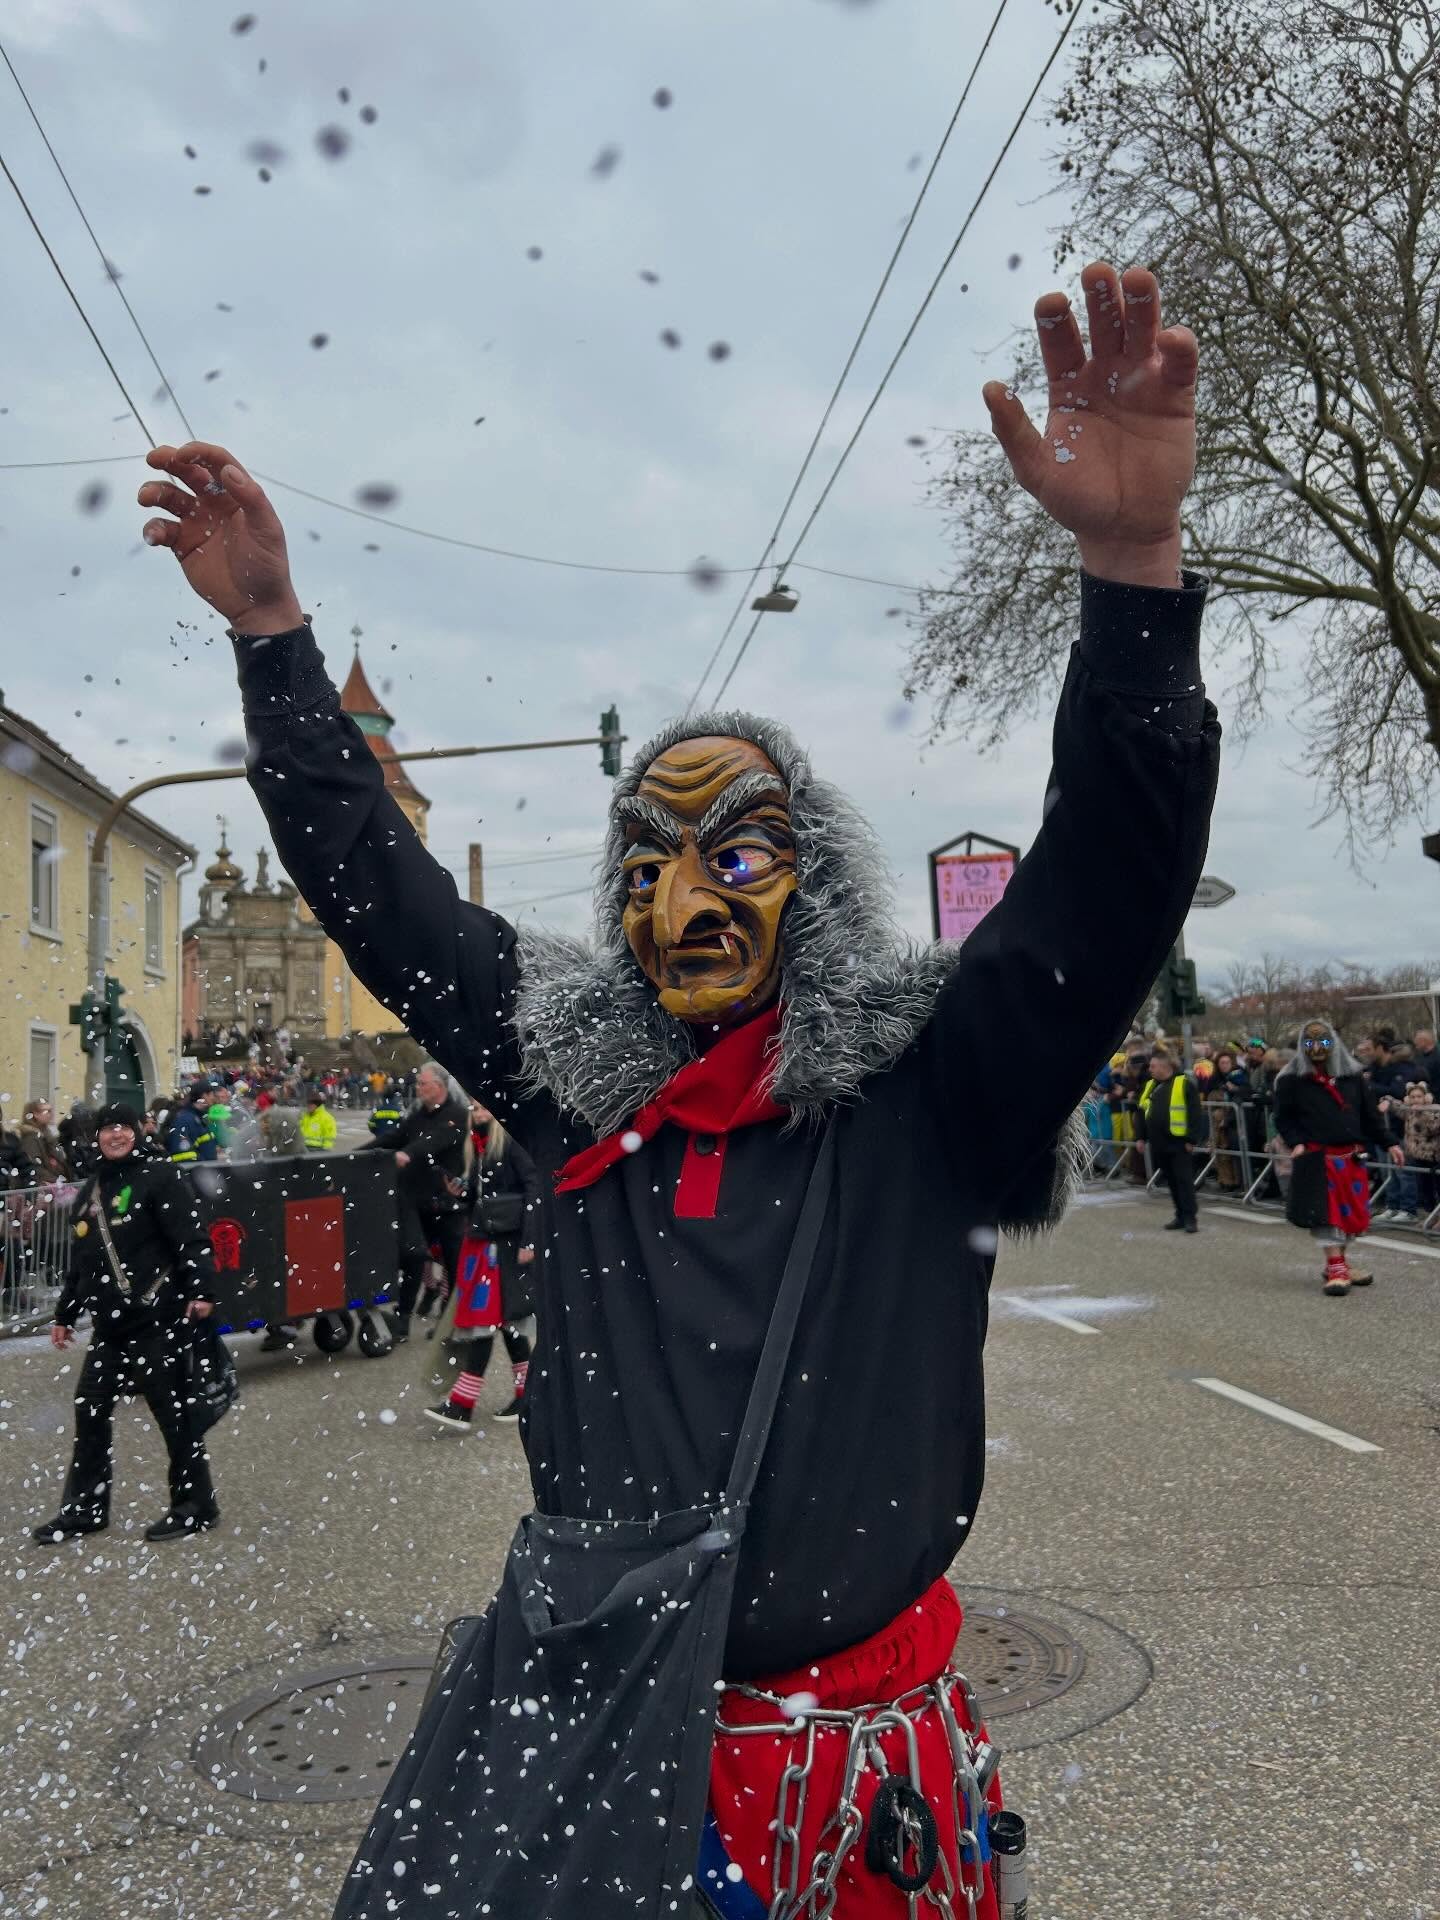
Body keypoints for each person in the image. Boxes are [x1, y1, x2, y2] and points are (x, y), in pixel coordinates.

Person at [140, 256, 1218, 1920]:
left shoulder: (934, 1088)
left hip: (861, 1791)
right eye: (648, 860)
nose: (689, 899)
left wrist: (1131, 565)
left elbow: (1104, 886)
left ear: (821, 892)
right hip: (594, 1757)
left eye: (743, 854)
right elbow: (382, 897)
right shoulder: (569, 1075)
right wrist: (278, 643)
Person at [31, 1103, 221, 1543]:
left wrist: (202, 1291)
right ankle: (85, 1509)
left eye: (122, 1127)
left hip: (158, 1319)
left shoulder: (161, 1177)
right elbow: (83, 1262)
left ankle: (195, 1505)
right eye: (106, 1129)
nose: (114, 1135)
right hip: (110, 1329)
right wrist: (64, 1314)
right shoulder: (93, 1190)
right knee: (90, 1409)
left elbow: (192, 1239)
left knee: (173, 1416)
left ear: (138, 1132)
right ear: (95, 1137)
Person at [426, 1096, 541, 1430]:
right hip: (486, 1245)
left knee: (486, 1321)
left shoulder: (509, 1142)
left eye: (484, 1107)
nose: (478, 1113)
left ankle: (463, 1403)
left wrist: (530, 1240)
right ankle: (526, 1393)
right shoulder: (479, 1144)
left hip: (502, 1246)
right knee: (504, 1320)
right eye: (475, 1108)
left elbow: (535, 1187)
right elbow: (481, 1194)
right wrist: (459, 1192)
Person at [1273, 1021, 1403, 1296]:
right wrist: (1296, 1143)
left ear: (1334, 1043)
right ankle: (1336, 1266)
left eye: (1323, 1042)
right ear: (1302, 1046)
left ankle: (1339, 1262)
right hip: (1318, 1157)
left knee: (1351, 1218)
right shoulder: (1291, 1080)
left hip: (1351, 1156)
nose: (1317, 1049)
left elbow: (1370, 1116)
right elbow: (1283, 1118)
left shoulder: (1353, 1076)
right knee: (1326, 1216)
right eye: (1310, 1043)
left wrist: (1390, 1143)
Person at [367, 1063, 468, 1341]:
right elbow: (394, 1137)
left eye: (424, 1084)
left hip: (446, 1203)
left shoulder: (457, 1116)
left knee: (453, 1264)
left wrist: (408, 1154)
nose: (419, 1088)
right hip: (416, 1199)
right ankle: (403, 1320)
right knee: (412, 1256)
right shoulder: (416, 1116)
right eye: (419, 1084)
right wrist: (360, 1154)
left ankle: (450, 1325)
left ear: (439, 1086)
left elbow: (433, 1142)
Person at [1138, 1048, 1205, 1231]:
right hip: (1159, 1143)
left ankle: (1190, 1218)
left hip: (1179, 1142)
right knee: (1172, 1181)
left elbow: (1195, 1113)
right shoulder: (1151, 1085)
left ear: (1164, 1066)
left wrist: (1192, 1139)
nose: (1149, 1069)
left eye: (1153, 1066)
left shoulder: (1184, 1083)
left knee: (1184, 1181)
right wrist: (1140, 1137)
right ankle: (1180, 1215)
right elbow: (1143, 1112)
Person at [17, 1100, 71, 1183]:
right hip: (45, 1187)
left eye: (51, 1111)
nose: (51, 1114)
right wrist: (57, 1181)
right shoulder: (30, 1137)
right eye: (47, 1111)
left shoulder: (46, 1133)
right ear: (35, 1114)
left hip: (56, 1184)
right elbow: (34, 1166)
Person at [166, 1084, 217, 1163]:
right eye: (212, 1094)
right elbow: (183, 1155)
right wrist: (205, 1165)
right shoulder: (185, 1120)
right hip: (197, 1173)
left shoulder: (198, 1118)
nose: (213, 1098)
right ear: (204, 1096)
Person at [300, 1089, 337, 1153]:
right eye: (308, 1103)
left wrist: (326, 1150)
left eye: (311, 1104)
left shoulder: (327, 1118)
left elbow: (329, 1136)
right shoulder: (304, 1116)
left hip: (319, 1149)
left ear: (317, 1105)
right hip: (303, 1148)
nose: (308, 1106)